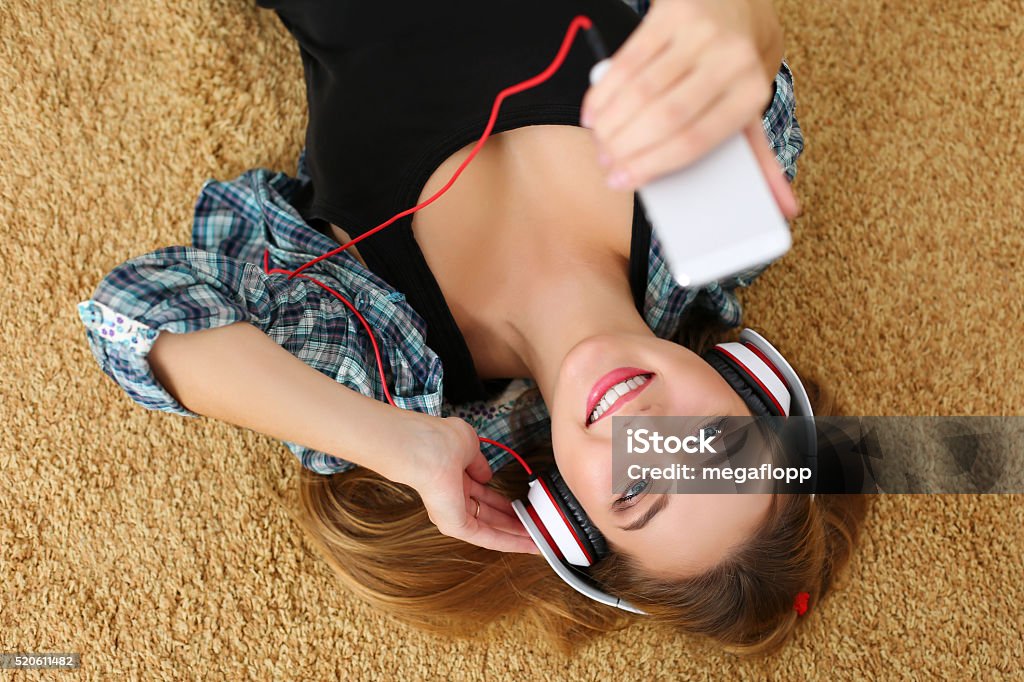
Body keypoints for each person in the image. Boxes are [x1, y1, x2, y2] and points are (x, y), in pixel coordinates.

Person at [76, 0, 866, 654]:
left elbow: (135, 317)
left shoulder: (393, 361)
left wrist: (394, 443)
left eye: (636, 489)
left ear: (569, 515)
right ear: (743, 385)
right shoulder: (711, 219)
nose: (645, 427)